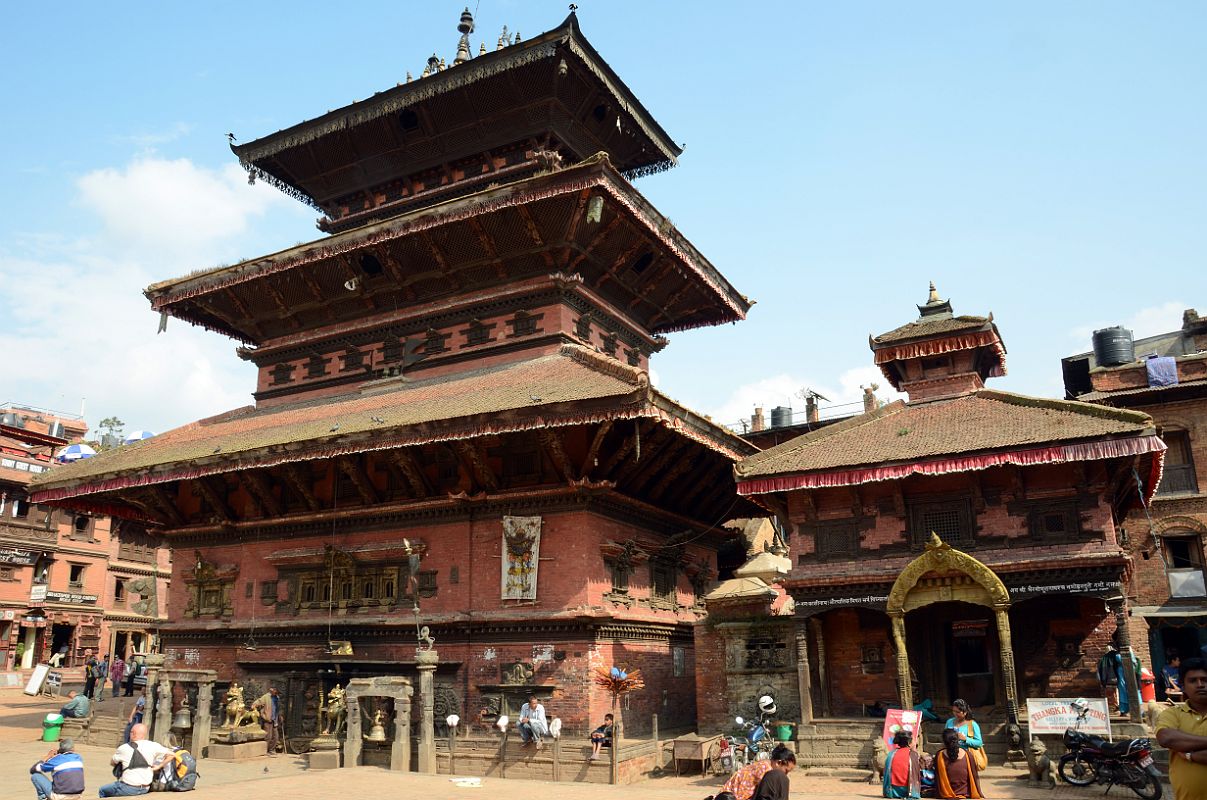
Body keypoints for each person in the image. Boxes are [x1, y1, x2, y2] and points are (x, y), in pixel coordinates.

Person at [1156, 657, 1207, 800]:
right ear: (1183, 686)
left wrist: (1191, 755)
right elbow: (1166, 738)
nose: (1200, 684)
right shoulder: (1173, 714)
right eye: (1192, 681)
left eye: (1204, 680)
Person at [99, 722, 174, 797]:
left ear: (133, 733)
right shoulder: (153, 745)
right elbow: (172, 754)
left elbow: (112, 763)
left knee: (102, 790)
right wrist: (159, 766)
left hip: (128, 788)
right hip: (146, 788)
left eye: (131, 732)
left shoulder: (123, 748)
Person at [718, 743, 793, 800]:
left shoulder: (766, 765)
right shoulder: (766, 769)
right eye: (786, 770)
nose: (786, 774)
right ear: (778, 763)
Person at [934, 728, 983, 799]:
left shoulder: (939, 755)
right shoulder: (967, 754)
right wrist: (980, 793)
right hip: (966, 793)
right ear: (958, 740)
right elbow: (975, 776)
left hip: (946, 792)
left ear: (944, 742)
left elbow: (937, 778)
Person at [944, 699, 986, 770]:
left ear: (965, 712)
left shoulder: (972, 725)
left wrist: (965, 739)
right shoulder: (949, 722)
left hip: (966, 759)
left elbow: (979, 743)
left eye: (958, 712)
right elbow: (944, 737)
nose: (955, 714)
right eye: (954, 711)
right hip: (950, 756)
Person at [883, 730, 921, 799]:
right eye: (914, 740)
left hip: (892, 791)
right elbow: (916, 775)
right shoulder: (913, 754)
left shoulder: (891, 753)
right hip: (907, 790)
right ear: (909, 742)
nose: (915, 742)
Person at [251, 686, 282, 757]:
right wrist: (254, 705)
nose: (276, 693)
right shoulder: (266, 697)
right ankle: (265, 750)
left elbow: (277, 708)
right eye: (275, 692)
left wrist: (280, 716)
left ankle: (271, 749)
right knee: (268, 736)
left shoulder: (277, 698)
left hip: (275, 719)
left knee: (276, 736)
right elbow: (258, 701)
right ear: (272, 690)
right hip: (268, 719)